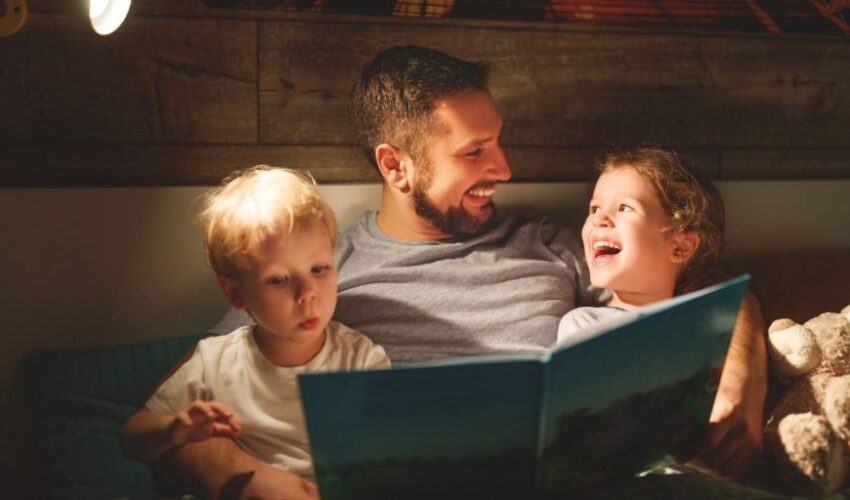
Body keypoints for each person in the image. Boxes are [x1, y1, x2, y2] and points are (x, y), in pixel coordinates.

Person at [157, 46, 766, 498]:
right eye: (474, 152)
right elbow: (190, 395)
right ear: (397, 166)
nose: (502, 168)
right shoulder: (319, 273)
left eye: (497, 142)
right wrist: (244, 477)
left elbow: (708, 284)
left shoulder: (550, 243)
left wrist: (741, 382)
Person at [121, 167, 389, 490]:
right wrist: (173, 429)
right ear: (236, 293)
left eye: (319, 269)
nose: (307, 293)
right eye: (279, 280)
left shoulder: (361, 359)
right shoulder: (215, 363)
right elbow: (131, 438)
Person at [557, 147, 726, 339]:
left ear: (681, 247)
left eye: (625, 208)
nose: (598, 219)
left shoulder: (705, 327)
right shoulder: (584, 325)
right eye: (594, 209)